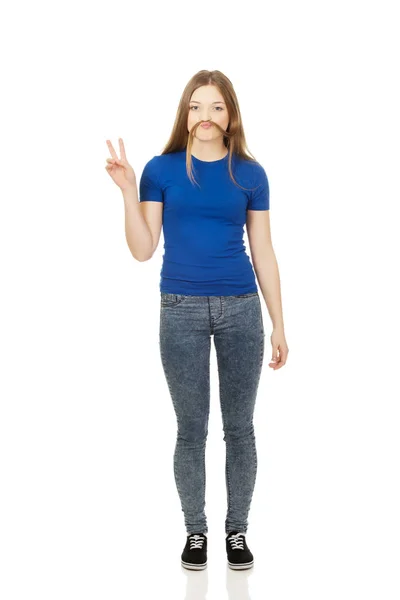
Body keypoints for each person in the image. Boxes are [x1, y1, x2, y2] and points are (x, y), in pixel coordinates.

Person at [105, 69, 289, 571]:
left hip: (241, 309)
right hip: (179, 309)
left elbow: (264, 251)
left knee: (240, 429)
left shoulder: (250, 173)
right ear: (185, 114)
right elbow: (143, 250)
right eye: (196, 106)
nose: (205, 116)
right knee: (191, 429)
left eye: (216, 107)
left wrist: (279, 323)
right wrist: (125, 191)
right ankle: (195, 532)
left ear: (230, 116)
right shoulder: (160, 170)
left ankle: (237, 531)